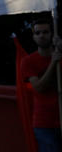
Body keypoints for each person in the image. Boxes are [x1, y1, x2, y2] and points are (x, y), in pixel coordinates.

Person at [20, 18, 62, 152]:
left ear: (52, 34)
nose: (42, 35)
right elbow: (39, 88)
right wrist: (53, 63)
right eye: (37, 33)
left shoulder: (60, 54)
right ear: (33, 37)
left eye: (45, 32)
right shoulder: (28, 61)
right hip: (44, 123)